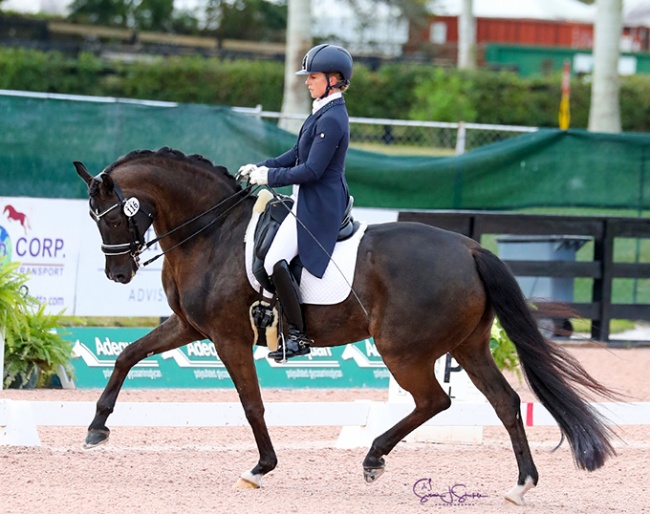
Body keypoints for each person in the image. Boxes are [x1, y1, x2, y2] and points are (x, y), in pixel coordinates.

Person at [238, 43, 353, 361]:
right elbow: (295, 155)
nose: (307, 81)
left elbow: (313, 170)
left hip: (320, 203)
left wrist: (270, 179)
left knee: (275, 260)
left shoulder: (333, 119)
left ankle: (297, 336)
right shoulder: (322, 110)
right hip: (306, 197)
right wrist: (261, 167)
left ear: (334, 79)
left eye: (313, 76)